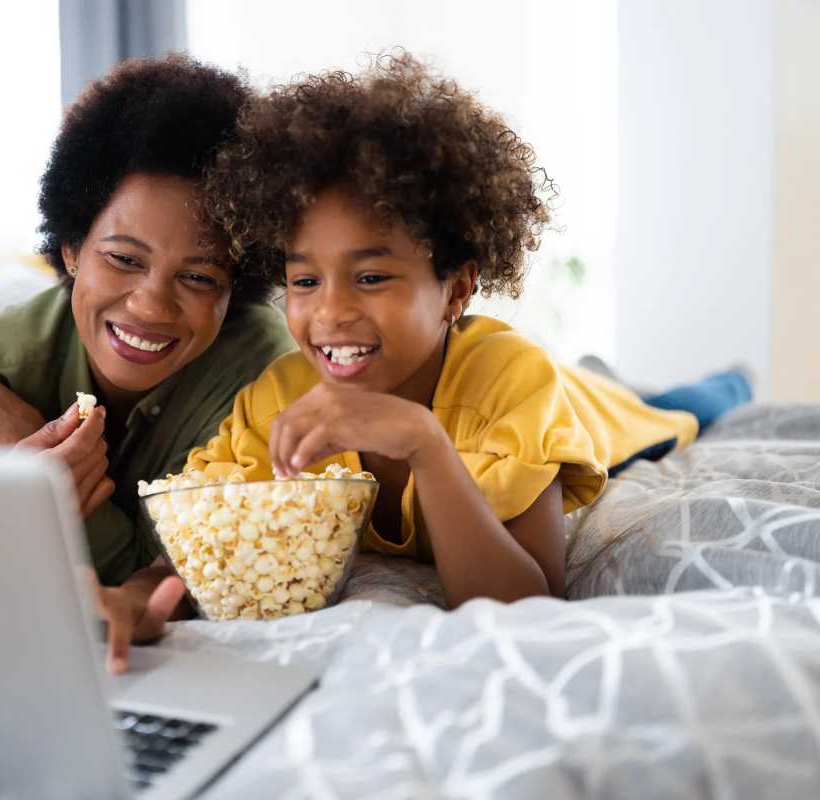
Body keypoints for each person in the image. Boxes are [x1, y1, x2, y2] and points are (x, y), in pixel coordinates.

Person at [172, 53, 751, 609]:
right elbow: (198, 537)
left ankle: (731, 382)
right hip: (553, 386)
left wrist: (425, 443)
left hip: (594, 412)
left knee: (682, 407)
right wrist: (137, 595)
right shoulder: (278, 398)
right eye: (303, 281)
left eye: (371, 276)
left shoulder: (513, 379)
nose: (329, 313)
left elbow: (528, 597)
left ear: (455, 290)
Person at [0, 56, 295, 672]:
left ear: (238, 286)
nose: (151, 304)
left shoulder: (265, 378)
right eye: (124, 259)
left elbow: (183, 573)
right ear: (71, 249)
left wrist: (17, 445)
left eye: (199, 276)